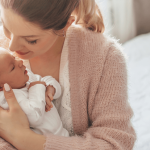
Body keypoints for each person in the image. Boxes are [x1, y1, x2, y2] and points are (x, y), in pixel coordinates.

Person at [0, 0, 136, 150]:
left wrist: (23, 139)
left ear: (66, 24)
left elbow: (115, 143)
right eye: (6, 27)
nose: (12, 46)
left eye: (31, 40)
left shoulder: (106, 57)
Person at [0, 48, 69, 136]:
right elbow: (35, 118)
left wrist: (51, 88)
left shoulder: (26, 79)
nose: (20, 62)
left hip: (63, 134)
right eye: (12, 67)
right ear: (1, 87)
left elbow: (45, 79)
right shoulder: (8, 99)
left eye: (14, 58)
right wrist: (37, 87)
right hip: (42, 142)